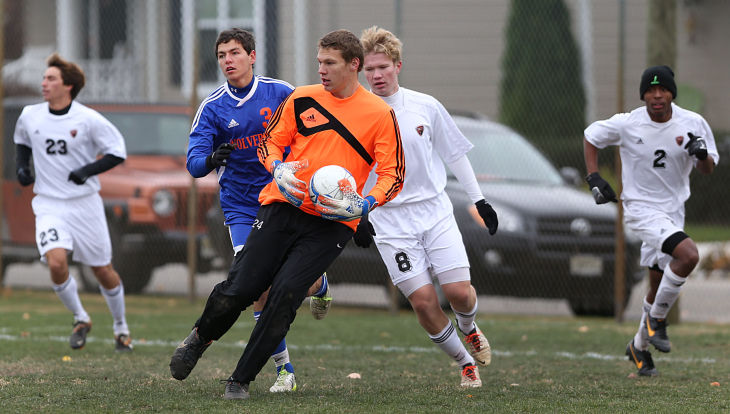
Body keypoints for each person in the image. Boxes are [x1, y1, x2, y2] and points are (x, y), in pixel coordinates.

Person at [170, 29, 404, 400]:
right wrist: (278, 167)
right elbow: (271, 141)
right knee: (243, 286)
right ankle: (200, 337)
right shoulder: (303, 97)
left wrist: (366, 206)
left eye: (329, 63)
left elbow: (392, 174)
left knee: (283, 294)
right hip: (281, 205)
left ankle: (241, 379)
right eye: (319, 62)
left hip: (331, 222)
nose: (321, 70)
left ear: (353, 65)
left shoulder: (379, 114)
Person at [179, 28, 333, 393]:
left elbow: (314, 134)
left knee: (294, 282)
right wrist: (210, 159)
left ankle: (320, 283)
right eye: (220, 55)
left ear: (251, 56)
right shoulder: (213, 107)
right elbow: (193, 163)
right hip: (240, 205)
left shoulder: (281, 93)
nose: (227, 60)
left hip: (282, 196)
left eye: (234, 52)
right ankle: (285, 370)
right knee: (256, 286)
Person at [359, 26, 497, 388]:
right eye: (370, 69)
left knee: (458, 294)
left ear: (398, 66)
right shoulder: (357, 113)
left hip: (434, 212)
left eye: (383, 67)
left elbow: (456, 155)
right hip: (388, 221)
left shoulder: (425, 106)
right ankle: (466, 364)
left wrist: (479, 200)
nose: (376, 76)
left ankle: (468, 327)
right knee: (422, 302)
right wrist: (357, 216)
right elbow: (350, 169)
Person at [583, 65, 718, 376]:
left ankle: (639, 347)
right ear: (643, 94)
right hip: (641, 209)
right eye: (650, 91)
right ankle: (657, 321)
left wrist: (701, 155)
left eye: (663, 90)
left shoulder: (692, 123)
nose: (657, 96)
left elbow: (708, 169)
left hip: (673, 212)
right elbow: (591, 136)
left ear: (672, 93)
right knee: (689, 255)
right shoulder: (629, 123)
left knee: (657, 286)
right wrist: (593, 177)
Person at [13, 53, 133, 352]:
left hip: (85, 204)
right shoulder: (30, 114)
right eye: (44, 77)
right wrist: (22, 168)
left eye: (51, 78)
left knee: (102, 270)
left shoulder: (88, 119)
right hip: (49, 203)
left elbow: (117, 151)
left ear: (68, 86)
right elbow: (22, 141)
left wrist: (86, 171)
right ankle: (81, 318)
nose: (44, 83)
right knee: (56, 262)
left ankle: (121, 328)